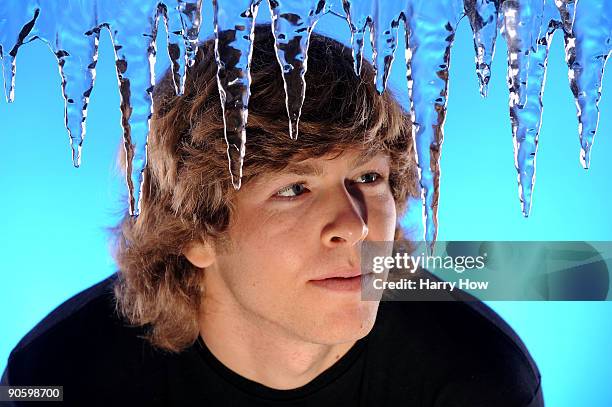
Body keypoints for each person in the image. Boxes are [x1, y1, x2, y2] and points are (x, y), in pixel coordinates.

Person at [1, 25, 543, 406]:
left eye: (369, 178)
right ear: (196, 233)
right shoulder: (57, 377)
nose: (353, 225)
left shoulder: (475, 374)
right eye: (295, 188)